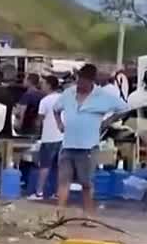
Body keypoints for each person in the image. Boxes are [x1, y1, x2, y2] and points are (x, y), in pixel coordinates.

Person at [52, 63, 128, 215]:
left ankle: (88, 215)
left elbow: (124, 108)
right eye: (79, 80)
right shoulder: (69, 93)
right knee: (63, 181)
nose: (81, 84)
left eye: (84, 82)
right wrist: (59, 123)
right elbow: (56, 109)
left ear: (92, 81)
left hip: (88, 147)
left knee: (86, 183)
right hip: (68, 145)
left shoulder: (103, 96)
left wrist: (108, 121)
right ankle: (59, 214)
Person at [30, 75, 63, 200]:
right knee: (60, 167)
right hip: (63, 138)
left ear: (49, 85)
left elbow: (39, 121)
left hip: (49, 138)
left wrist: (34, 129)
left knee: (45, 166)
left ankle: (39, 192)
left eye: (43, 83)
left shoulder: (45, 101)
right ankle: (58, 193)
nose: (41, 85)